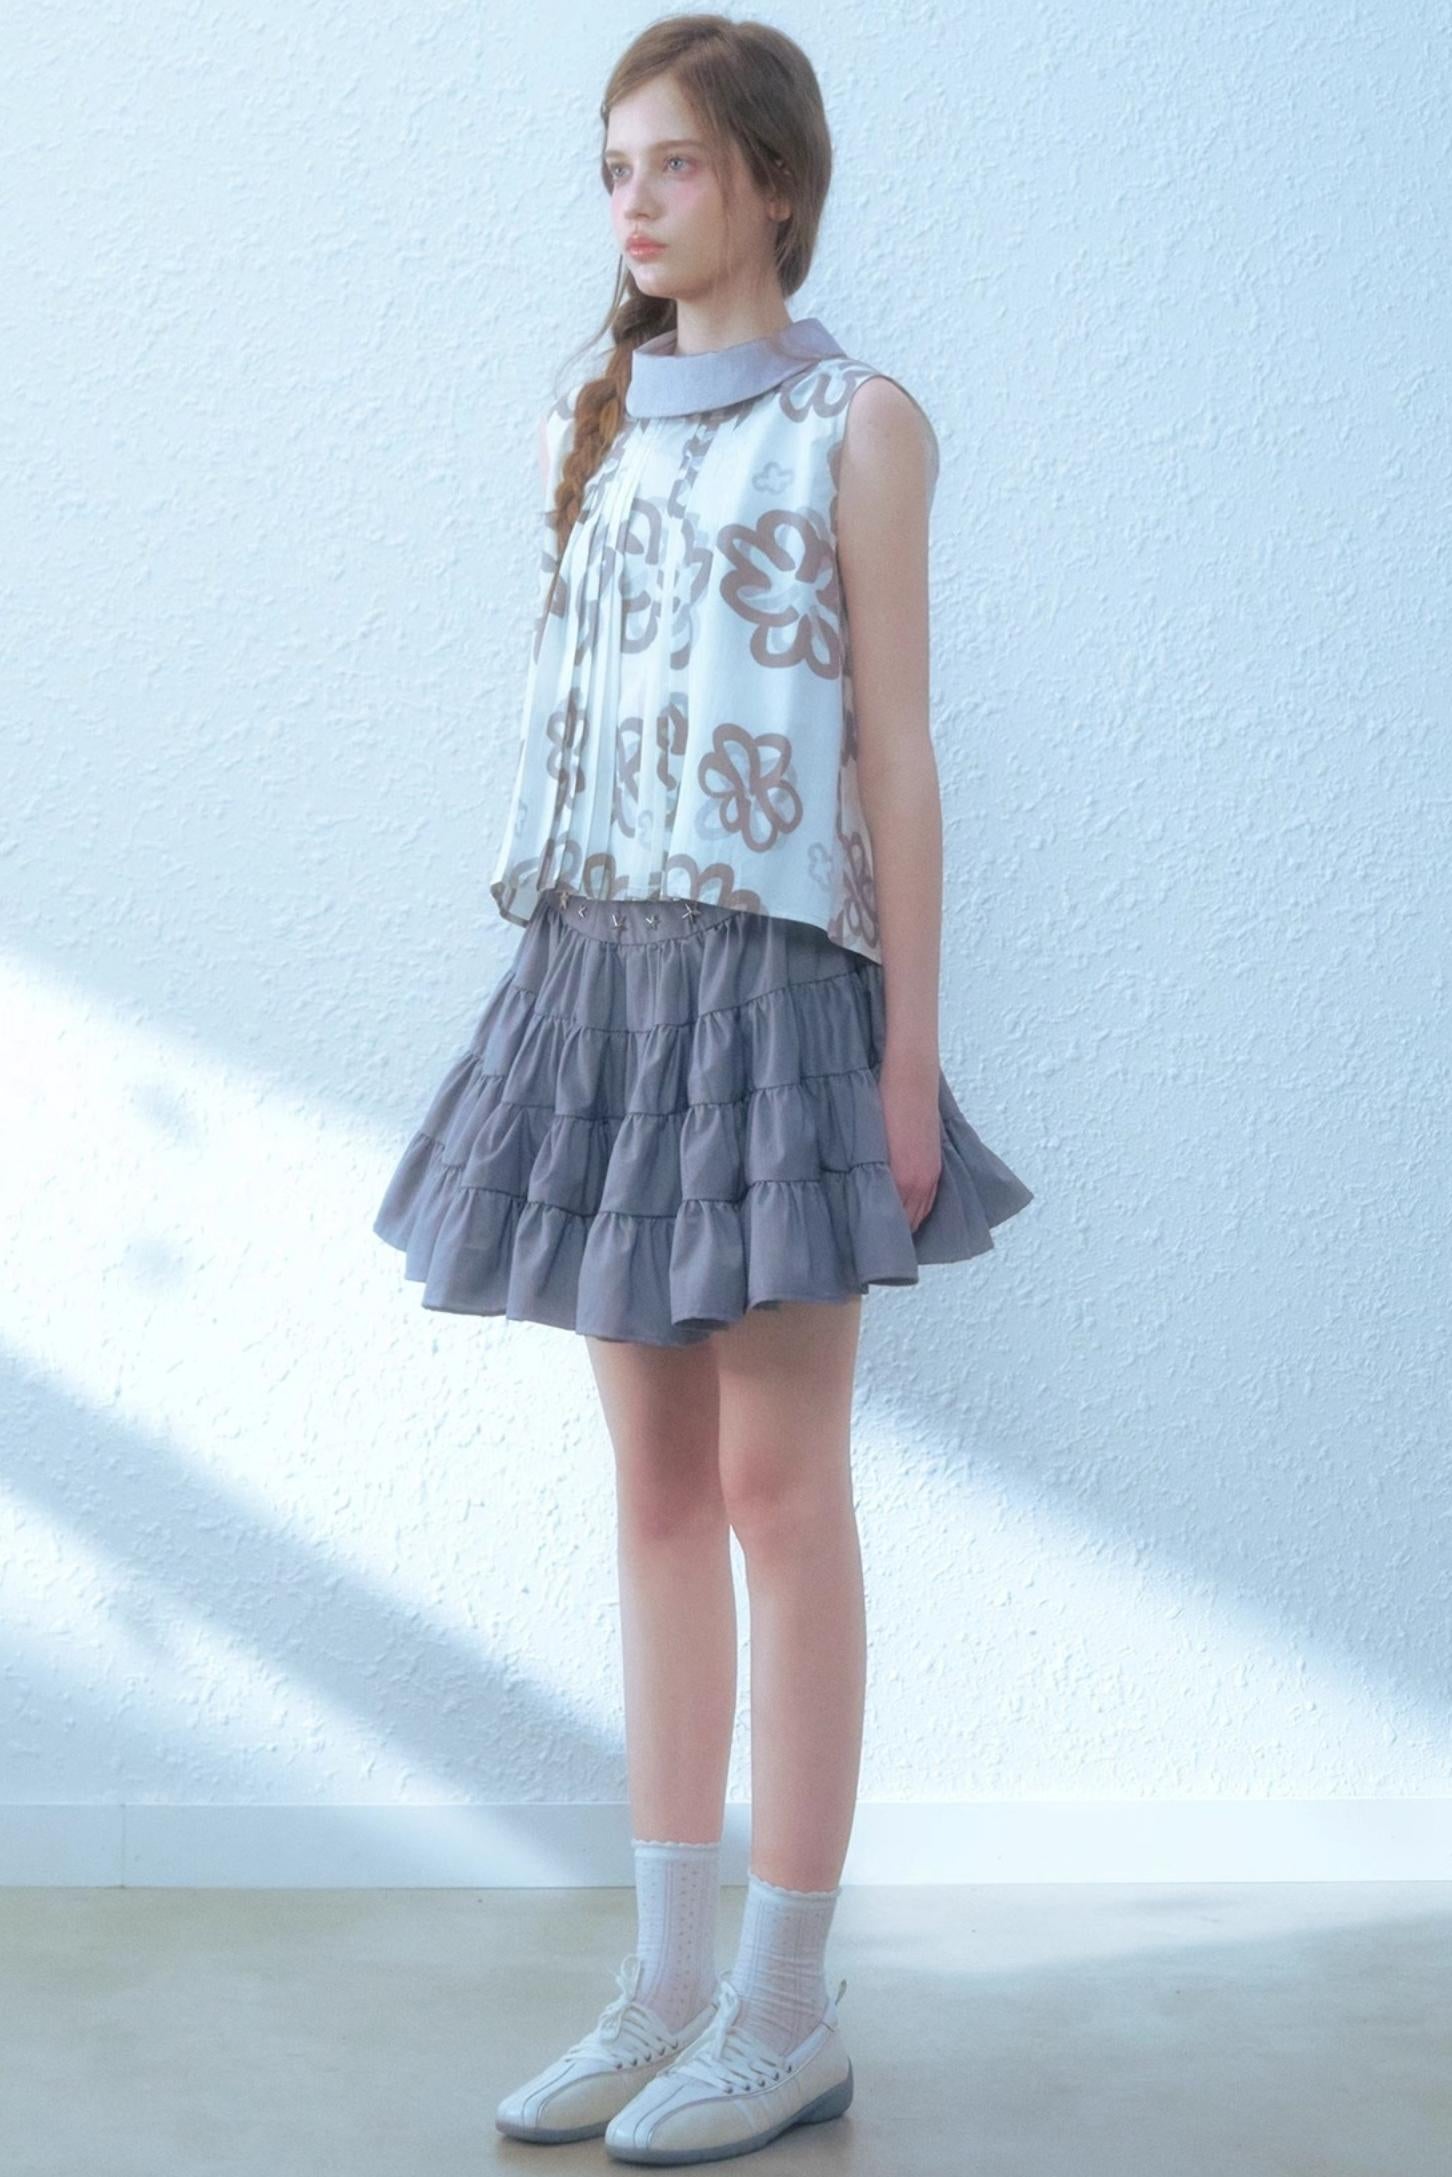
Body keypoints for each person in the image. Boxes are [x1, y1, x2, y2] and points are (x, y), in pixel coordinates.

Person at [373, 13, 1034, 2165]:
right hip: (602, 985)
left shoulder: (862, 423)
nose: (633, 204)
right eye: (611, 169)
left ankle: (783, 2004)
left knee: (778, 1489)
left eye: (670, 163)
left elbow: (898, 756)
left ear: (773, 183)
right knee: (654, 1491)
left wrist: (908, 1053)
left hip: (775, 996)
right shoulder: (586, 422)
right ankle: (664, 1986)